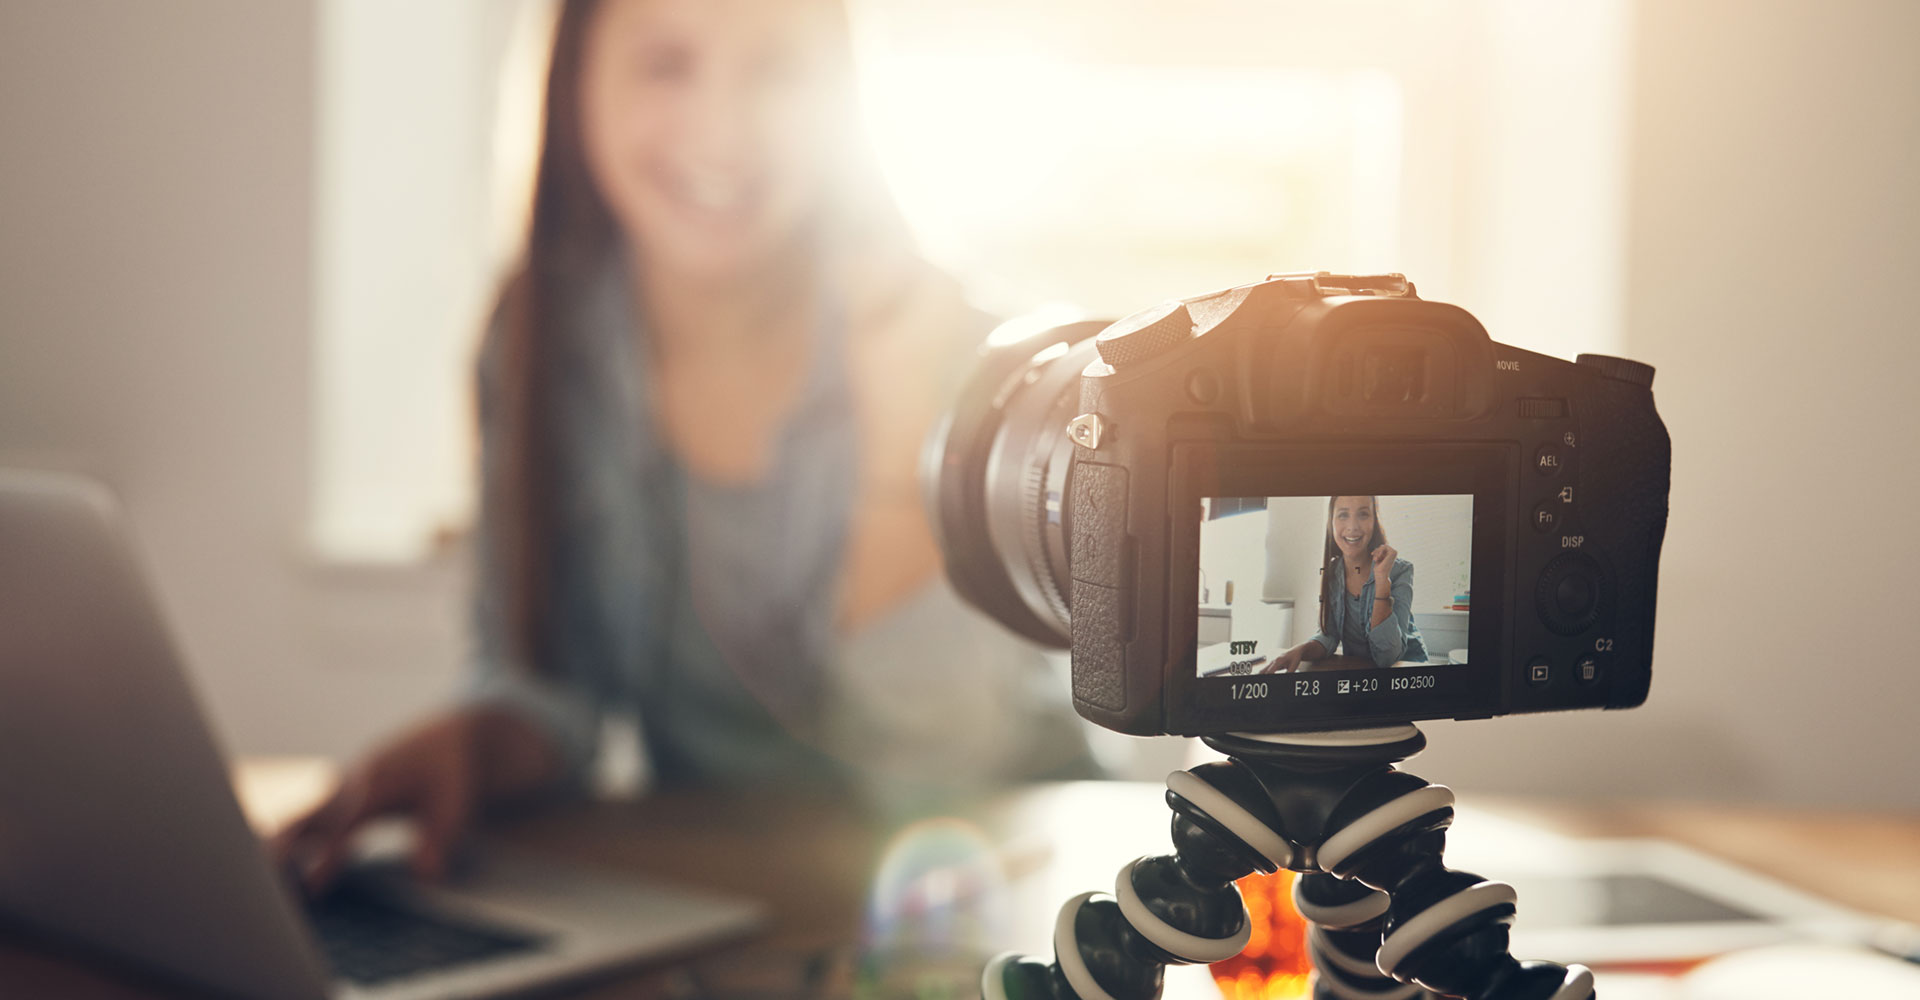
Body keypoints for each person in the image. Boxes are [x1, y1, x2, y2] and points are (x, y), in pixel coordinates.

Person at [274, 0, 1090, 892]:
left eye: (775, 71)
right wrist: (472, 743)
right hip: (718, 897)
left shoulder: (948, 349)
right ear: (577, 79)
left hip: (984, 884)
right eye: (666, 65)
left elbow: (939, 758)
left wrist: (902, 445)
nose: (721, 129)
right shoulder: (542, 340)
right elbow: (549, 686)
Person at [1263, 495, 1426, 673]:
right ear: (1331, 522)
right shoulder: (1332, 573)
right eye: (1343, 515)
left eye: (1363, 514)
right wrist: (1300, 650)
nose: (1352, 526)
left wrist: (1381, 581)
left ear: (1374, 521)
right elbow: (1328, 637)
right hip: (1360, 674)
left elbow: (1388, 657)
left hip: (1408, 671)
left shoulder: (1400, 570)